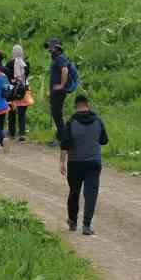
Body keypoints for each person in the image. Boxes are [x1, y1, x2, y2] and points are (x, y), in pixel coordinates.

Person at [59, 93, 109, 235]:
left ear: (75, 106)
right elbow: (104, 140)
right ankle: (87, 225)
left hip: (75, 163)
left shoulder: (71, 122)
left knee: (74, 192)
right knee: (91, 194)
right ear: (88, 105)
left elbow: (65, 144)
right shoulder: (98, 121)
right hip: (94, 162)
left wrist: (62, 162)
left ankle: (73, 221)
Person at [45, 39, 79, 146]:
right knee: (56, 114)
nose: (49, 49)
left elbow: (65, 70)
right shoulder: (57, 58)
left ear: (56, 47)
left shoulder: (60, 58)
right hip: (56, 91)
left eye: (50, 47)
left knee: (57, 115)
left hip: (59, 92)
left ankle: (63, 139)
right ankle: (60, 138)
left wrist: (61, 85)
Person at [5, 44, 33, 141]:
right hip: (24, 89)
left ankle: (11, 132)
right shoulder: (26, 63)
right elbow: (26, 76)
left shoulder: (9, 63)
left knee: (12, 111)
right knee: (22, 112)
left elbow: (7, 77)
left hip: (13, 89)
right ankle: (22, 133)